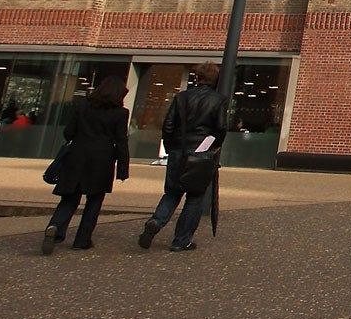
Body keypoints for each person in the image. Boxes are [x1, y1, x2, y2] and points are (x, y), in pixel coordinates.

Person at [139, 64, 226, 252]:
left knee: (172, 191)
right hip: (201, 152)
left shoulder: (181, 97)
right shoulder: (218, 100)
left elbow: (168, 125)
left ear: (197, 77)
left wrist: (171, 147)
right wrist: (214, 147)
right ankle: (181, 240)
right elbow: (220, 127)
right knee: (195, 196)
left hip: (180, 149)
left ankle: (156, 220)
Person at [42, 75, 131, 252]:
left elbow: (69, 132)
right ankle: (82, 239)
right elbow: (121, 142)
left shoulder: (83, 107)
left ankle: (56, 228)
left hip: (77, 155)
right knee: (94, 201)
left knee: (69, 199)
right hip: (102, 159)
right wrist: (122, 169)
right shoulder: (120, 113)